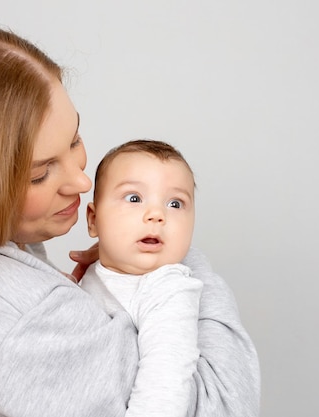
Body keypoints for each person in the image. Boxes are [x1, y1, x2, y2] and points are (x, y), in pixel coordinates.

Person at [0, 23, 260, 417]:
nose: (81, 180)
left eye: (74, 139)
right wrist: (175, 263)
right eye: (40, 173)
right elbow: (225, 403)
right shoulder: (32, 317)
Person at [80, 139, 202, 417]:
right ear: (93, 220)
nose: (157, 215)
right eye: (134, 198)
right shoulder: (93, 273)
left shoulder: (168, 289)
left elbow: (165, 380)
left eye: (175, 203)